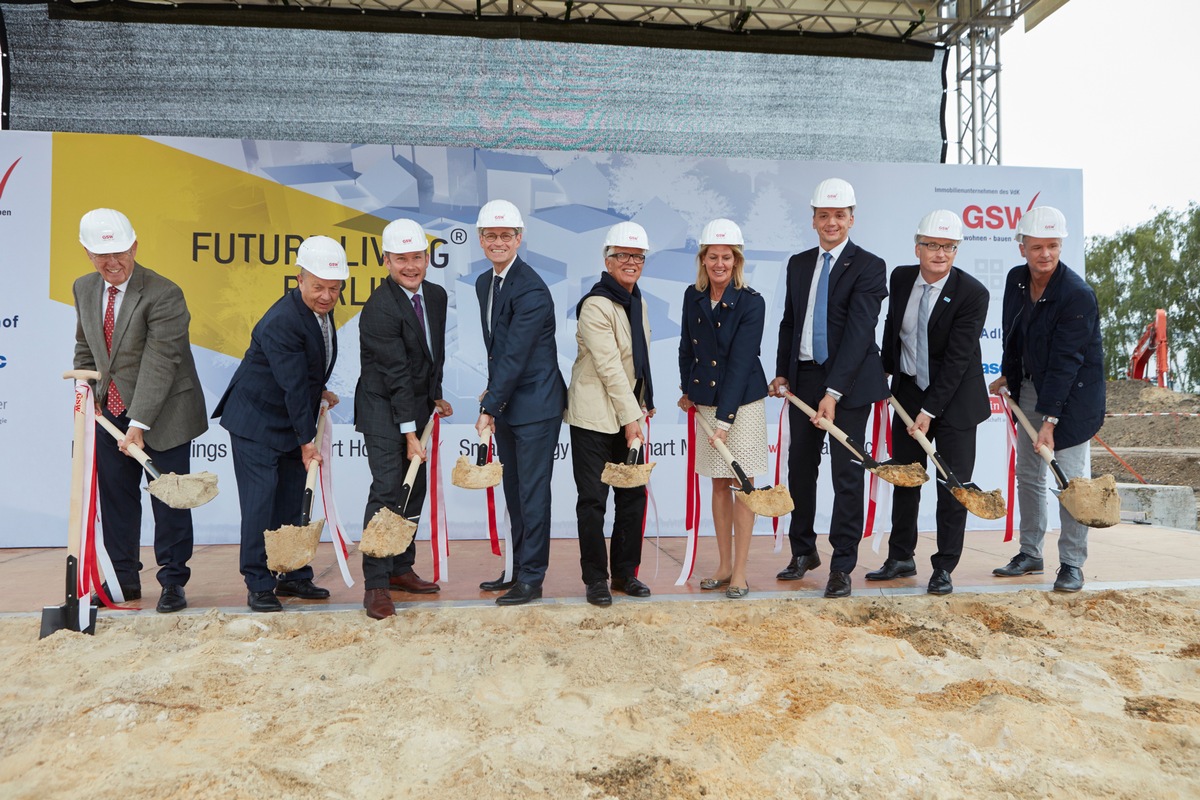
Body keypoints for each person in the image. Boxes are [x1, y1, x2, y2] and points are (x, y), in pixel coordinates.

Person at [72, 208, 208, 614]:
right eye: (101, 256)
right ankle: (123, 580)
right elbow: (86, 344)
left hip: (164, 413)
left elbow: (160, 362)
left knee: (168, 499)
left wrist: (138, 424)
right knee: (116, 499)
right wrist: (87, 391)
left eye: (120, 254)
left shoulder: (164, 293)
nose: (112, 263)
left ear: (134, 246)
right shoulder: (83, 288)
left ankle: (172, 582)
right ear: (86, 253)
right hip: (109, 413)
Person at [212, 235, 347, 612]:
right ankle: (258, 583)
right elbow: (290, 384)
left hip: (289, 417)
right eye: (318, 286)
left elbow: (307, 369)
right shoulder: (282, 321)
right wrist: (309, 442)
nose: (326, 295)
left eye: (333, 288)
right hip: (257, 421)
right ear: (300, 278)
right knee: (260, 505)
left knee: (291, 500)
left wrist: (319, 390)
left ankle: (293, 574)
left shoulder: (319, 308)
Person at [768, 178, 888, 598]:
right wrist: (783, 371)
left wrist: (833, 393)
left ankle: (841, 565)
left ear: (852, 219)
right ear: (813, 219)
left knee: (846, 476)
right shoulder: (799, 264)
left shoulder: (871, 266)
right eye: (824, 215)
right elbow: (790, 320)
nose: (831, 222)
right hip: (803, 379)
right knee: (799, 469)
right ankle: (803, 551)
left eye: (839, 215)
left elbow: (859, 334)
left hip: (849, 384)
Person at [865, 210, 990, 595]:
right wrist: (881, 373)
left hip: (954, 403)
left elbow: (956, 361)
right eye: (933, 245)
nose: (940, 253)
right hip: (908, 395)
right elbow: (894, 331)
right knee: (907, 479)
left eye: (949, 246)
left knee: (952, 485)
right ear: (918, 246)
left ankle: (944, 566)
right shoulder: (901, 278)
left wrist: (928, 411)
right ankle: (901, 556)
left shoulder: (973, 294)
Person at [989, 206, 1104, 593]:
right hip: (1031, 386)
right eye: (1037, 246)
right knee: (1029, 474)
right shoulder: (1016, 280)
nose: (1045, 255)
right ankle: (1030, 552)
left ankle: (1072, 563)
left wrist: (1050, 421)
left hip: (1072, 395)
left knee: (1069, 481)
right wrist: (1011, 374)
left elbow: (1067, 362)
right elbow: (1015, 335)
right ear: (1022, 247)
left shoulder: (1076, 295)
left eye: (1053, 246)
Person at [355, 219, 452, 620]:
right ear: (386, 260)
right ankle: (376, 585)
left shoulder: (437, 295)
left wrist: (435, 396)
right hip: (382, 410)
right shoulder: (379, 308)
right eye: (401, 259)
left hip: (416, 405)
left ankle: (399, 567)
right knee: (387, 491)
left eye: (416, 258)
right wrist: (410, 434)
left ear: (427, 259)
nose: (410, 266)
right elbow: (395, 373)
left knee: (414, 493)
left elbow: (431, 355)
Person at [473, 200, 568, 606]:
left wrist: (489, 406)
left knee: (532, 494)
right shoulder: (485, 283)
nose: (498, 243)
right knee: (514, 492)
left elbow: (516, 354)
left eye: (505, 236)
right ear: (481, 240)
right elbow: (499, 352)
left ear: (519, 238)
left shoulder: (530, 288)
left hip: (536, 406)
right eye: (491, 236)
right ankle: (516, 569)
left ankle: (532, 578)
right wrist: (494, 397)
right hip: (511, 402)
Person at [565, 221, 656, 607]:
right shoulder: (595, 304)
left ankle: (624, 573)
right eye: (623, 256)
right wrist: (631, 416)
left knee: (632, 498)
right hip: (594, 418)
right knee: (593, 501)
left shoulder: (639, 302)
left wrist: (645, 400)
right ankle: (595, 579)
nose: (631, 262)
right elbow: (609, 367)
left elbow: (639, 361)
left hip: (628, 413)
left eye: (637, 256)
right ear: (607, 259)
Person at [677, 219, 768, 599]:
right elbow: (686, 348)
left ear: (736, 261)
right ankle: (724, 565)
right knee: (718, 485)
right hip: (707, 405)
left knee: (742, 486)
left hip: (742, 405)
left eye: (726, 257)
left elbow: (741, 362)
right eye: (712, 257)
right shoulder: (691, 296)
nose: (719, 264)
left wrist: (726, 420)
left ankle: (741, 573)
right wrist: (688, 389)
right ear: (703, 259)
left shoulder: (751, 302)